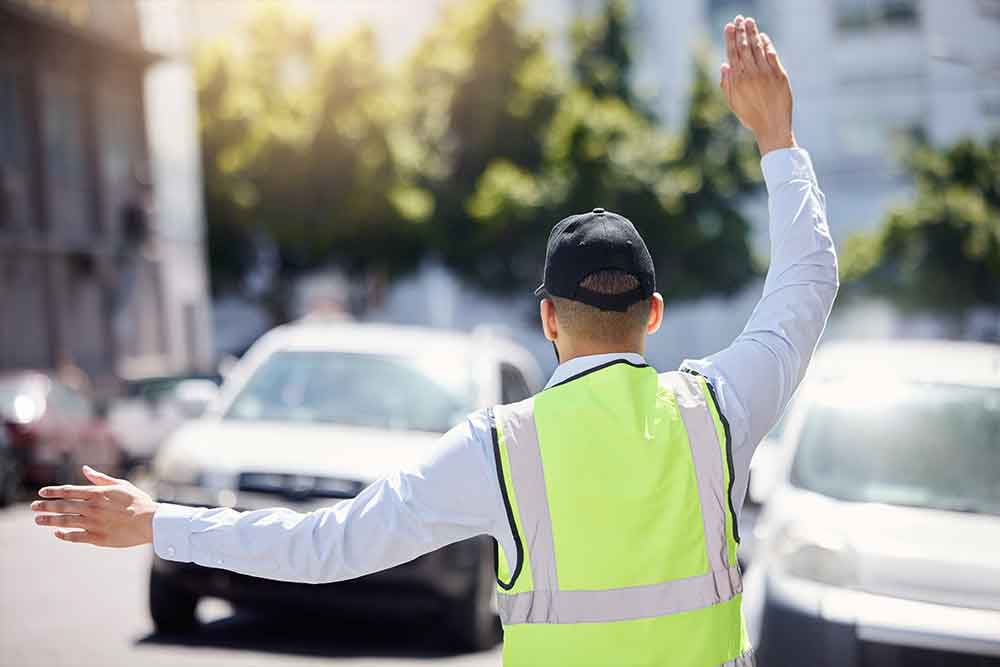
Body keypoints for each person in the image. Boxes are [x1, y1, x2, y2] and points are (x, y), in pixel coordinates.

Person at [32, 17, 837, 667]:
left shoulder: (500, 448)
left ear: (547, 318)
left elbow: (328, 543)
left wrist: (159, 521)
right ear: (652, 312)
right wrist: (777, 137)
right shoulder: (719, 412)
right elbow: (807, 284)